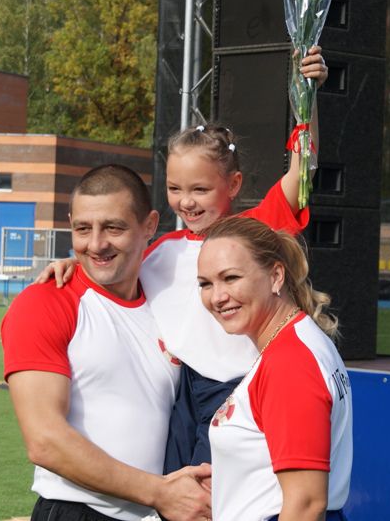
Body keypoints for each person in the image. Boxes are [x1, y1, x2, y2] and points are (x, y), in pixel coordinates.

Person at [37, 48, 328, 474]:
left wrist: (307, 95)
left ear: (233, 184)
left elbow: (303, 170)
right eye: (175, 189)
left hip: (240, 387)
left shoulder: (255, 229)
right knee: (174, 490)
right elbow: (108, 265)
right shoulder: (160, 250)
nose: (186, 202)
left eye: (200, 190)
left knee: (213, 495)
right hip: (181, 394)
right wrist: (72, 267)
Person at [1, 165, 211, 521]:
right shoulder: (44, 302)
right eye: (83, 229)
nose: (96, 244)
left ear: (149, 225)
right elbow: (45, 441)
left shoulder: (166, 300)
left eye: (113, 228)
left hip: (154, 514)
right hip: (78, 512)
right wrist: (159, 492)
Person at [197, 216, 352, 521]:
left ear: (276, 276)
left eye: (231, 278)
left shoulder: (289, 361)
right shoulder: (295, 340)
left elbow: (306, 504)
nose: (217, 297)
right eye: (205, 283)